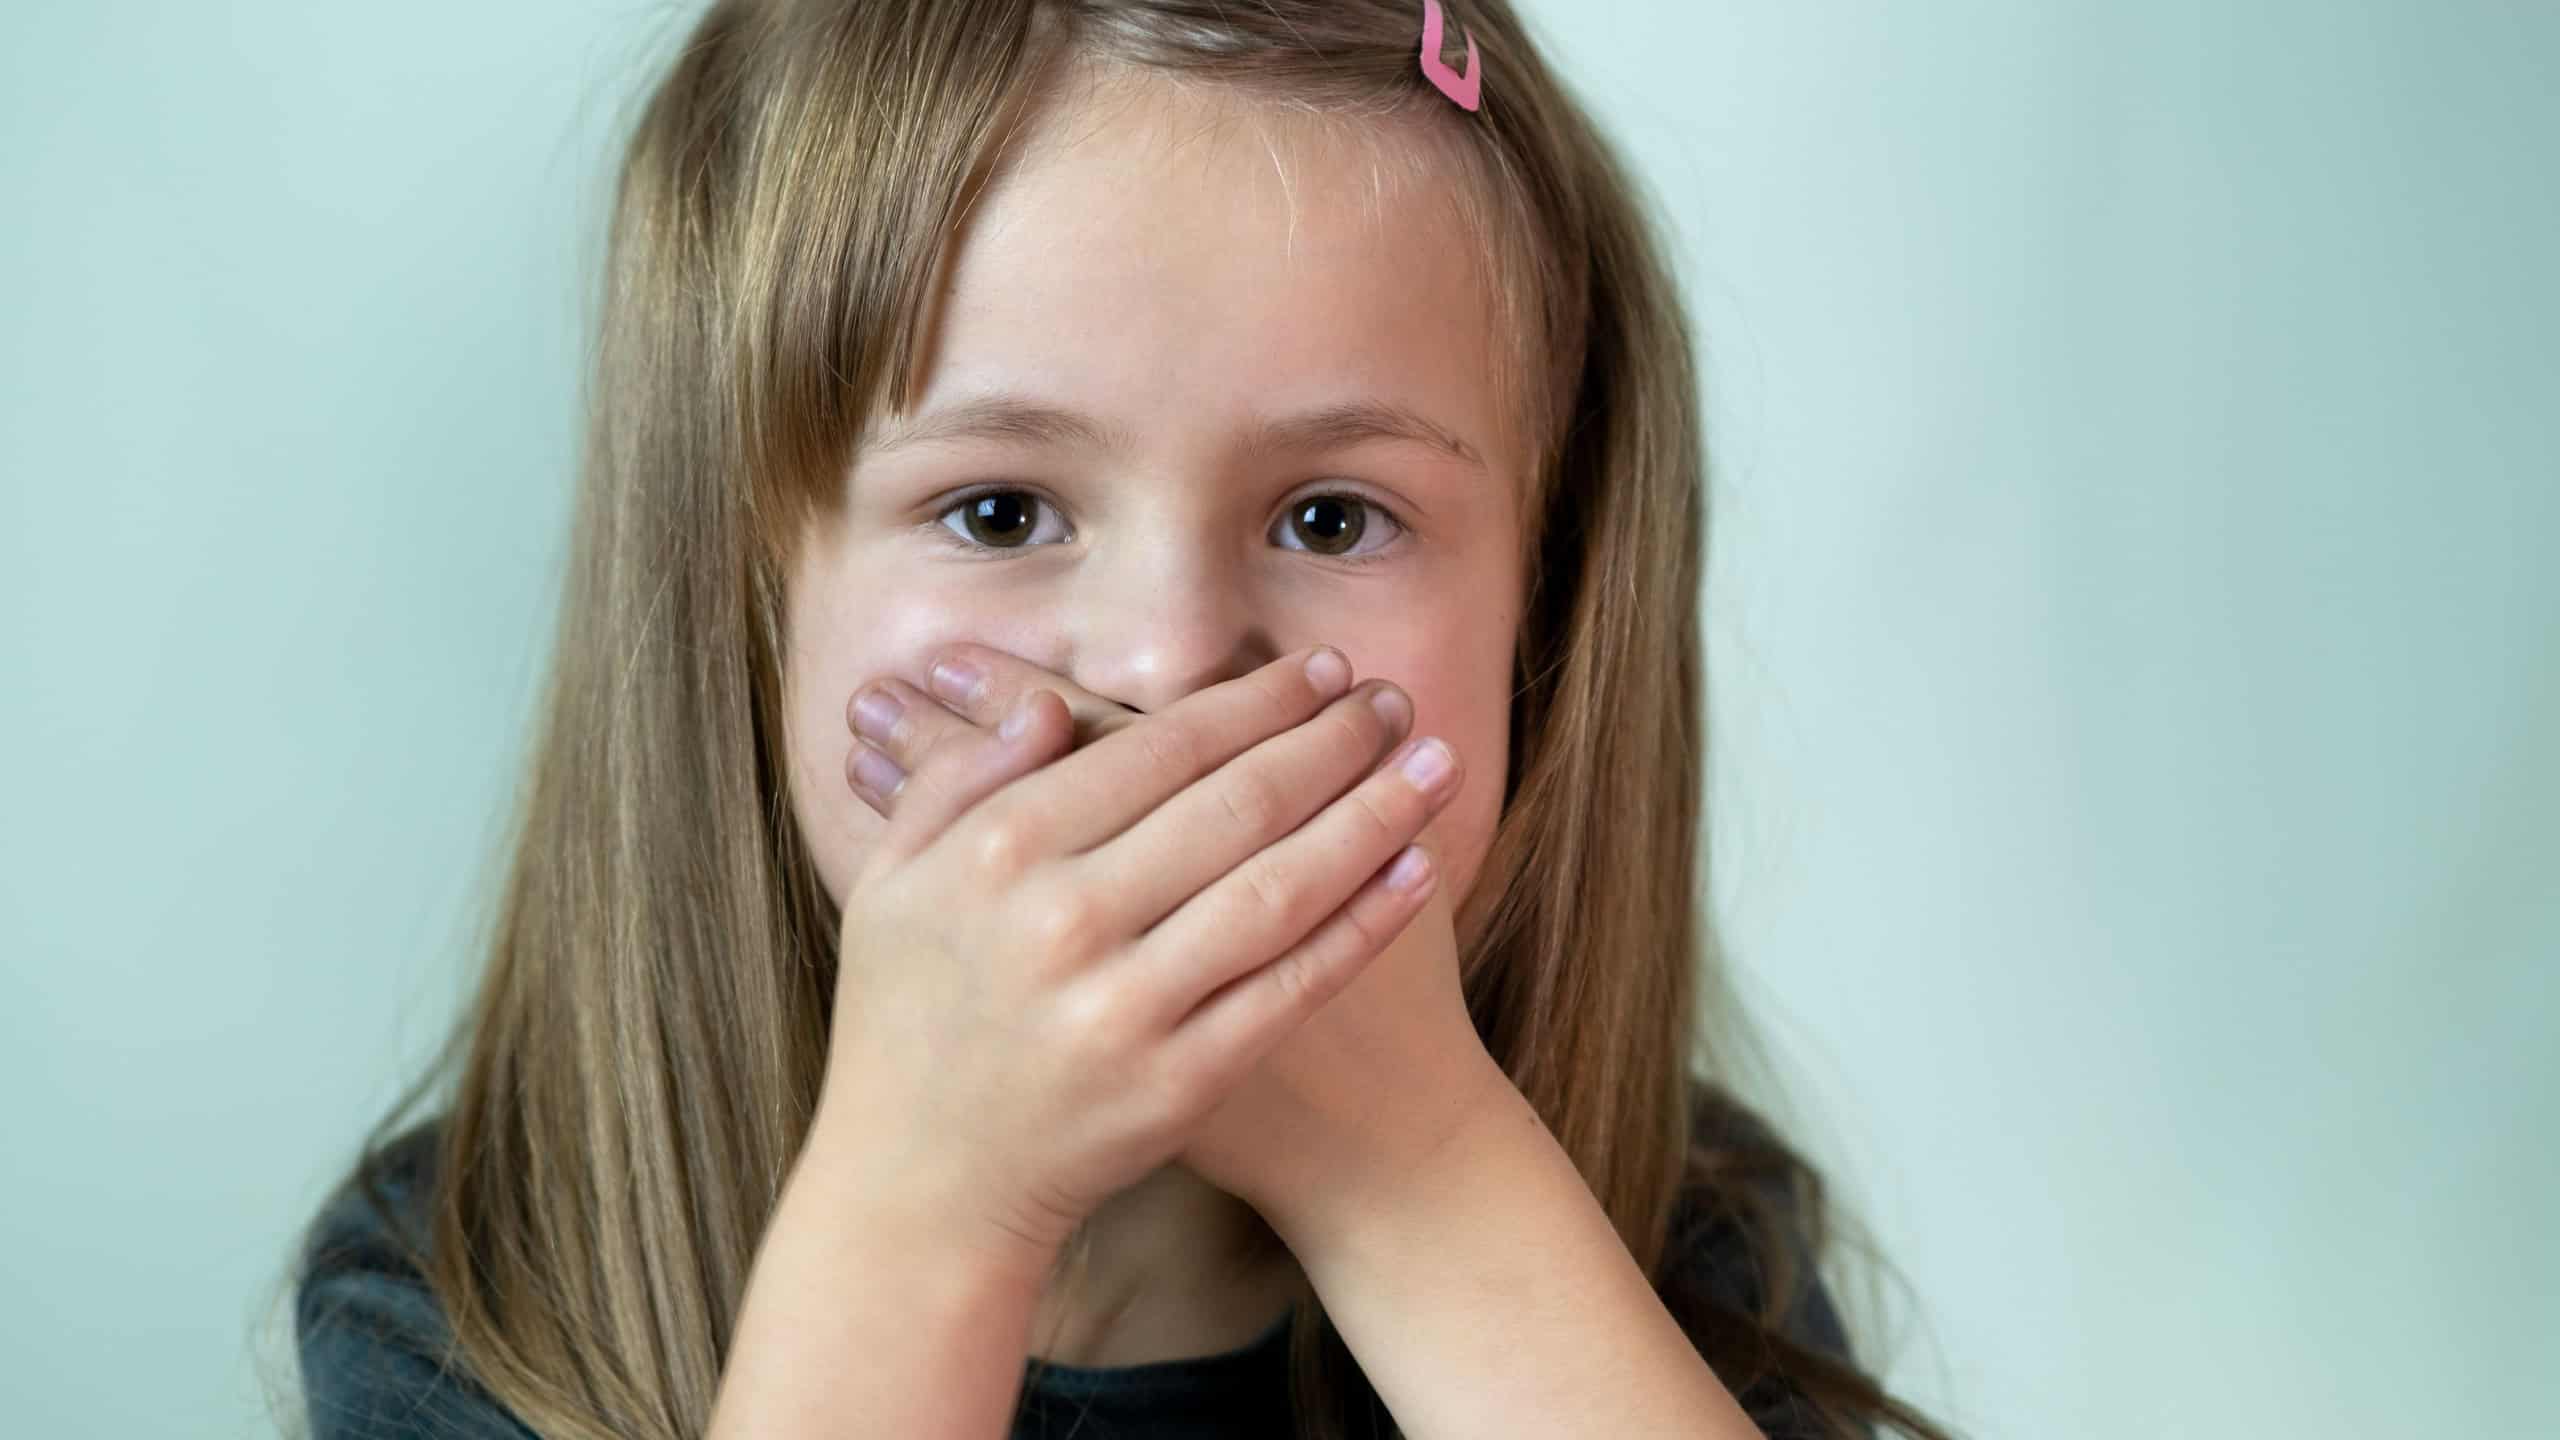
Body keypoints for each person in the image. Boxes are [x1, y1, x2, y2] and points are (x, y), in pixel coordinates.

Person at [289, 3, 1956, 1437]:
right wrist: (921, 1217)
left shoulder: (1677, 1262)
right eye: (1003, 511)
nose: (1166, 669)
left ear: (1546, 605)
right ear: (745, 597)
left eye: (1331, 520)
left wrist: (1423, 1183)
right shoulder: (470, 1298)